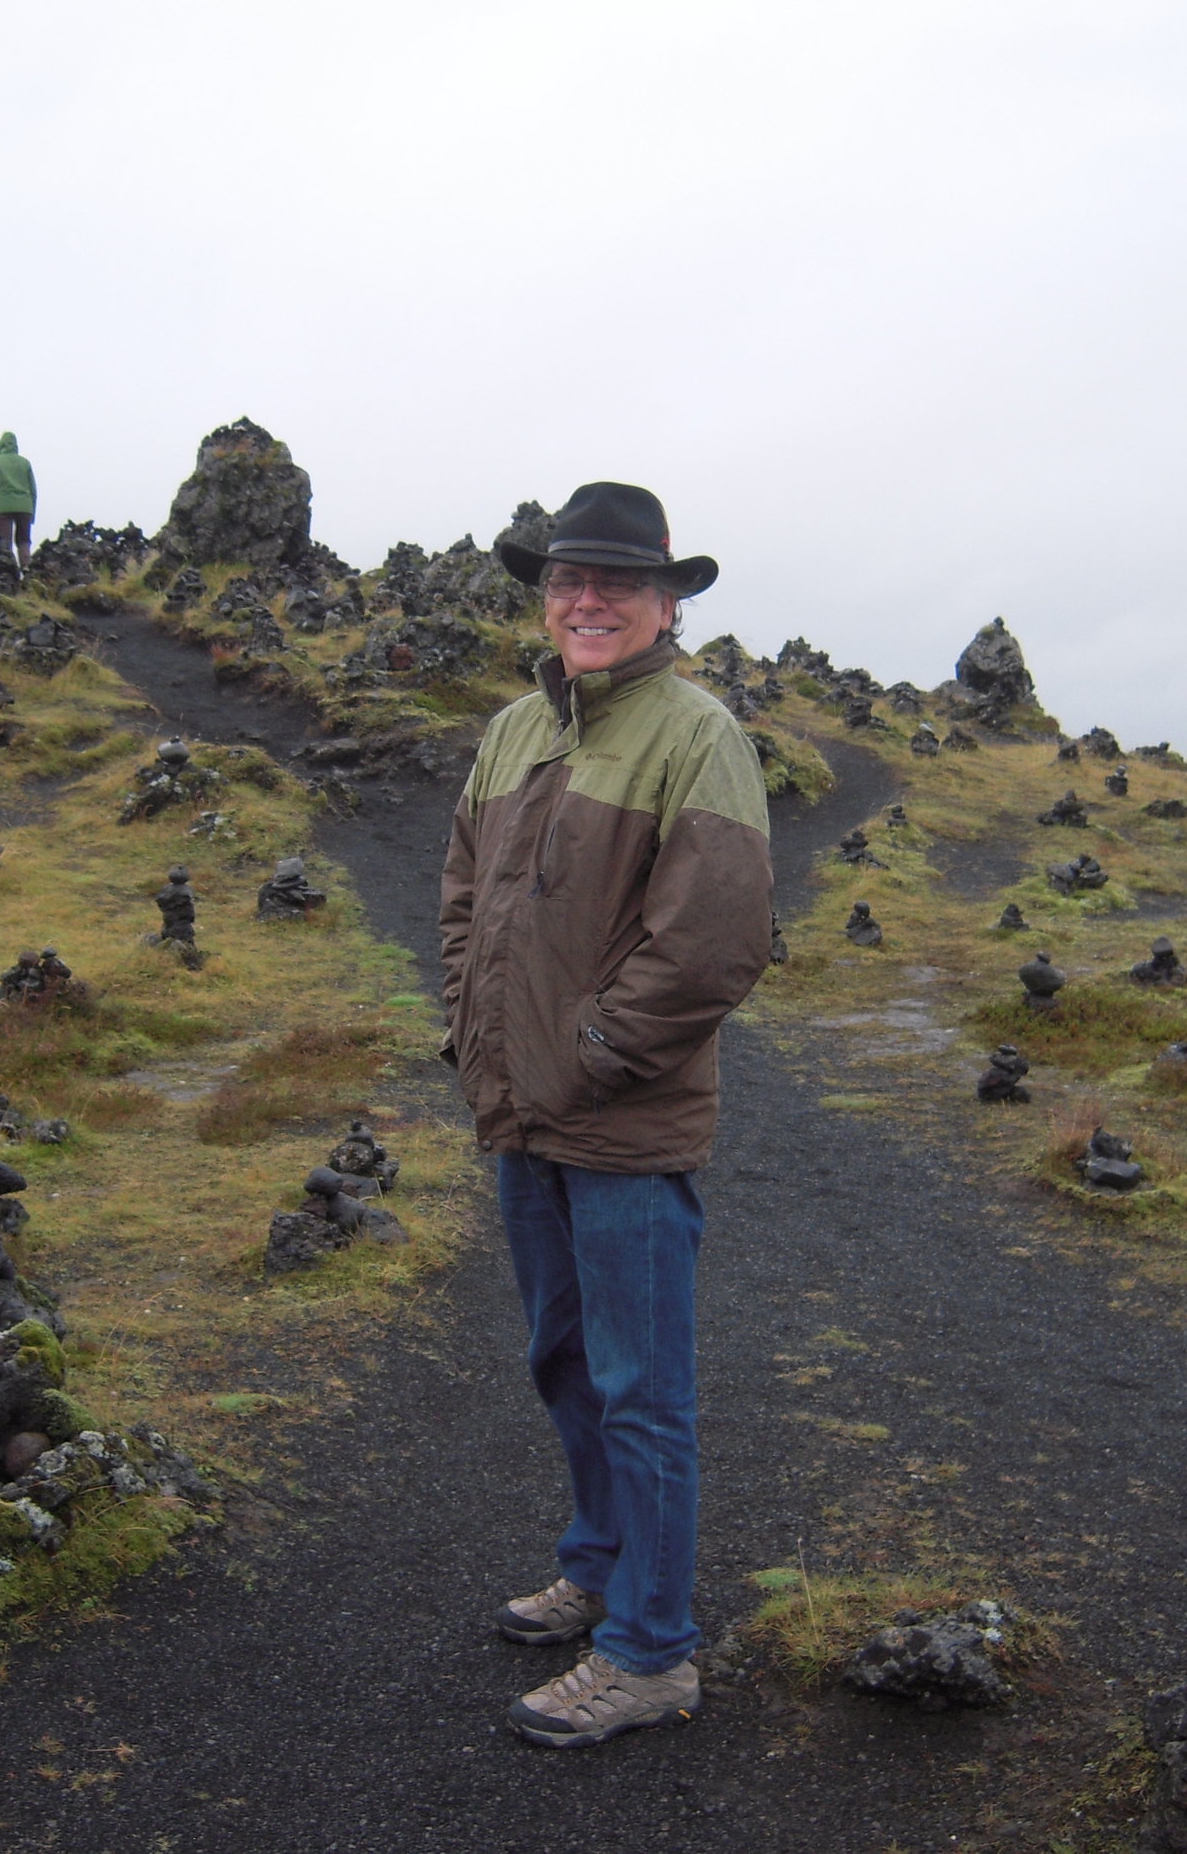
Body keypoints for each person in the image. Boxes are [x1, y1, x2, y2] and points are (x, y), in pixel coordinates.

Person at [438, 481, 773, 1748]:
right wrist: (479, 1040)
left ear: (665, 603)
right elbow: (466, 894)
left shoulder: (697, 736)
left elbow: (716, 942)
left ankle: (650, 1651)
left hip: (621, 1122)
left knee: (641, 1390)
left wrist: (589, 1054)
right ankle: (598, 1565)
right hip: (521, 1112)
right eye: (569, 580)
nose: (589, 601)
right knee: (562, 1361)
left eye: (618, 584)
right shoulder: (516, 728)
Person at [0, 432, 36, 576]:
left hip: (3, 507)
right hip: (25, 507)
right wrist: (32, 513)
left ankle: (8, 568)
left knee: (5, 540)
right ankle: (25, 565)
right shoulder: (25, 463)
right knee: (24, 539)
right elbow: (33, 490)